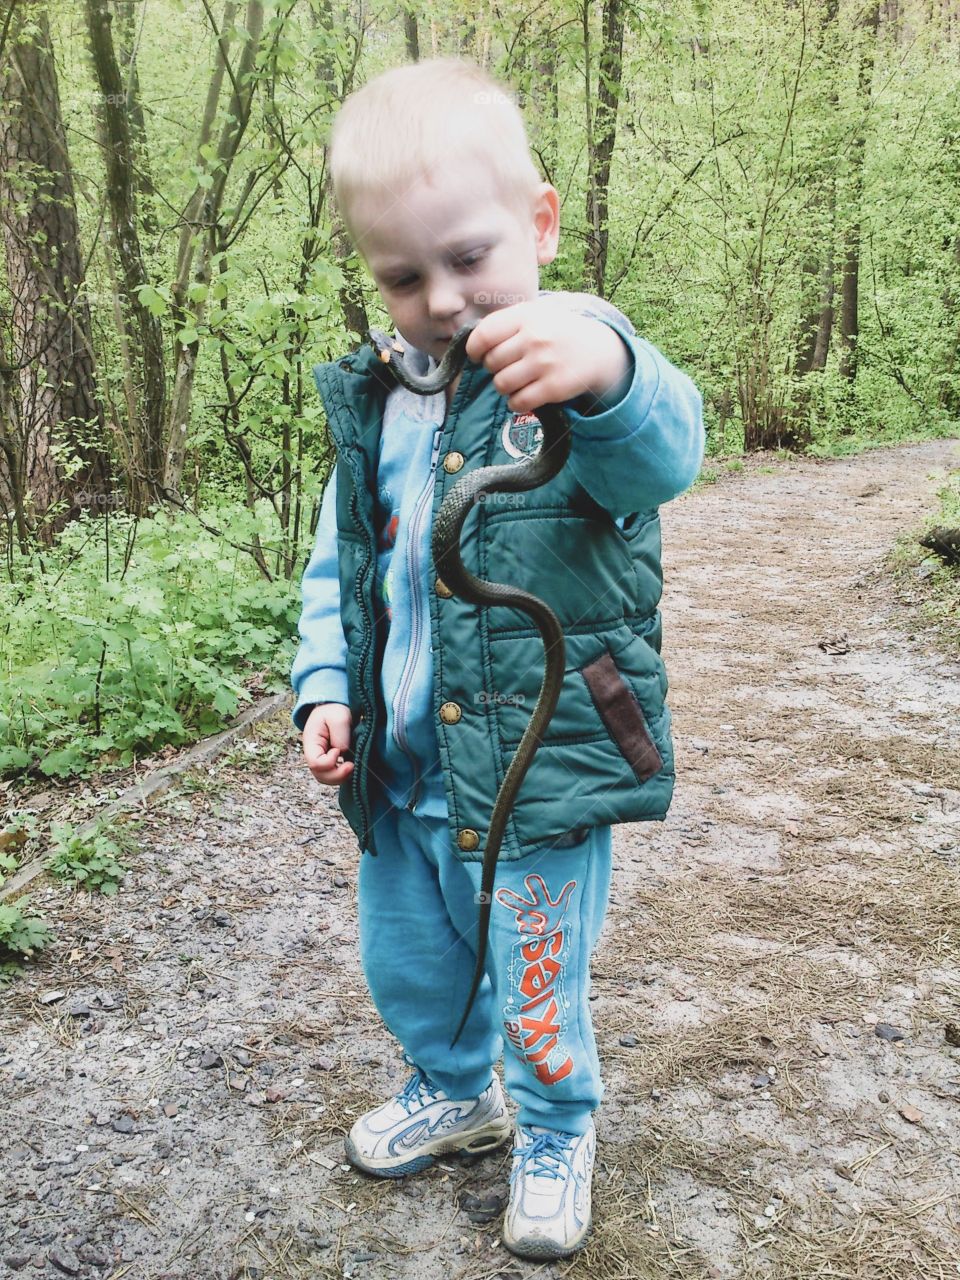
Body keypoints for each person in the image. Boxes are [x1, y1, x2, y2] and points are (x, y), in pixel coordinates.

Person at [290, 57, 704, 1261]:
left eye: (469, 257)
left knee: (532, 966)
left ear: (541, 222)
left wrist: (608, 374)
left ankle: (555, 1123)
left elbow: (664, 457)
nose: (443, 298)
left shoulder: (577, 367)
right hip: (407, 766)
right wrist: (326, 684)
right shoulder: (381, 407)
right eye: (403, 275)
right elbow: (340, 569)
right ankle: (452, 1086)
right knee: (411, 958)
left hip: (538, 767)